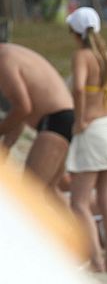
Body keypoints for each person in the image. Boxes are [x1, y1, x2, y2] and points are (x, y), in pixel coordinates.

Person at [64, 7, 107, 273]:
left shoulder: (81, 55)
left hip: (92, 128)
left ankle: (95, 261)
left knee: (79, 201)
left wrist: (79, 119)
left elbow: (79, 87)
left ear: (75, 32)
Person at [0, 43, 75, 190]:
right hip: (64, 119)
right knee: (50, 193)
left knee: (28, 193)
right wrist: (6, 146)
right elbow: (20, 115)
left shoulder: (4, 61)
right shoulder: (13, 53)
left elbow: (23, 108)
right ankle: (78, 213)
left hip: (54, 121)